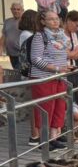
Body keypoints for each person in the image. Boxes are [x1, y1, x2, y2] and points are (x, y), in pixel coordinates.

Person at [26, 9, 70, 148]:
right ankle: (44, 141)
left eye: (56, 18)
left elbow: (61, 55)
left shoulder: (61, 36)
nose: (55, 21)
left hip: (59, 76)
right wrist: (55, 68)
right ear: (43, 21)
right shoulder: (40, 36)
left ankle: (53, 138)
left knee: (58, 106)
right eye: (51, 19)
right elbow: (35, 59)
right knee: (45, 108)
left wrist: (65, 66)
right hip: (44, 77)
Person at [2, 2, 24, 73]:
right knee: (15, 71)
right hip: (11, 54)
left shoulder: (25, 22)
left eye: (18, 9)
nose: (16, 11)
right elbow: (4, 36)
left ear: (22, 10)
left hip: (21, 54)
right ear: (11, 10)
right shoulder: (7, 21)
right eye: (14, 9)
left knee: (20, 72)